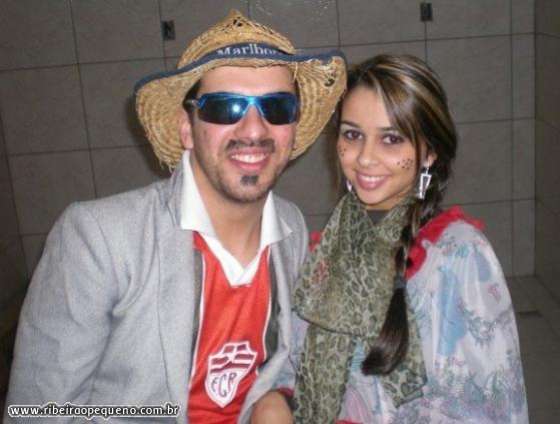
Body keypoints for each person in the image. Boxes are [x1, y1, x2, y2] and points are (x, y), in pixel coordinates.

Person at [4, 10, 346, 424]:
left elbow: (283, 365)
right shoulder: (100, 239)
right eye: (225, 107)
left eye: (277, 107)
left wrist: (274, 401)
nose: (254, 129)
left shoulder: (291, 230)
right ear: (187, 127)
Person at [255, 54, 529, 423]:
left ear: (428, 152)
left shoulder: (458, 257)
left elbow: (492, 411)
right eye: (353, 135)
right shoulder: (326, 253)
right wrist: (278, 401)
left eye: (391, 139)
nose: (365, 158)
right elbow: (294, 366)